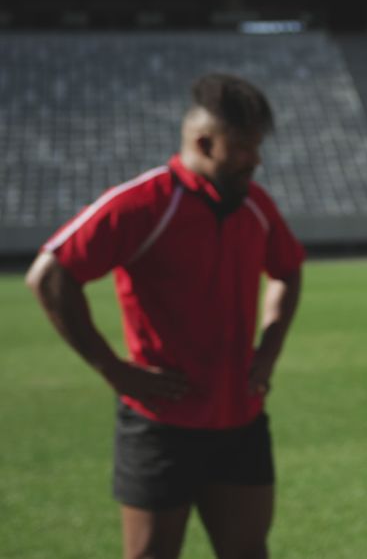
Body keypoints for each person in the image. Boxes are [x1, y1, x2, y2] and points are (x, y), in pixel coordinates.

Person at [25, 74, 304, 559]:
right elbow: (49, 275)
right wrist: (112, 368)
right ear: (203, 142)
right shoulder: (144, 203)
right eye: (243, 147)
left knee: (248, 552)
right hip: (160, 425)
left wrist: (269, 349)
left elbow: (287, 270)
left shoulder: (255, 206)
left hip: (241, 419)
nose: (255, 160)